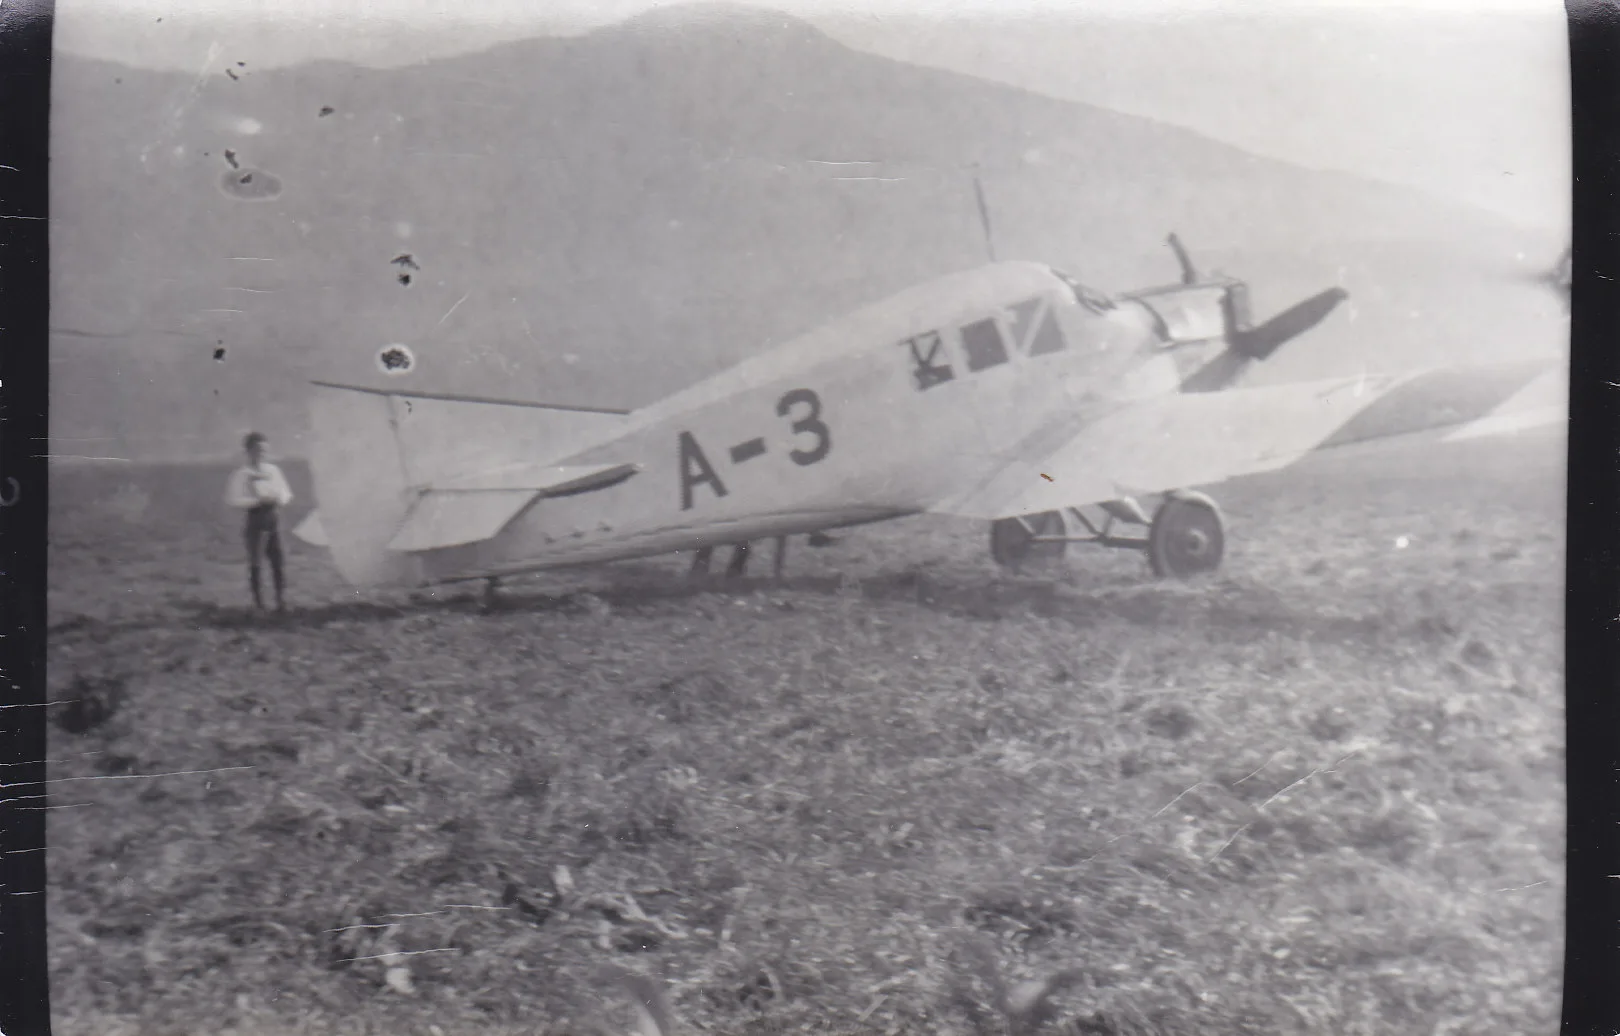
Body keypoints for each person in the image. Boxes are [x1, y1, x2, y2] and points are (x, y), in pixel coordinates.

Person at [224, 431, 293, 610]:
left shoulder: (273, 471)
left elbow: (286, 492)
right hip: (255, 518)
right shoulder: (242, 474)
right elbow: (233, 499)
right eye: (257, 450)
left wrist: (279, 498)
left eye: (264, 450)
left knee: (278, 559)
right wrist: (256, 502)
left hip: (273, 517)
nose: (261, 453)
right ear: (248, 451)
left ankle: (281, 600)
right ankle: (259, 603)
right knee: (256, 561)